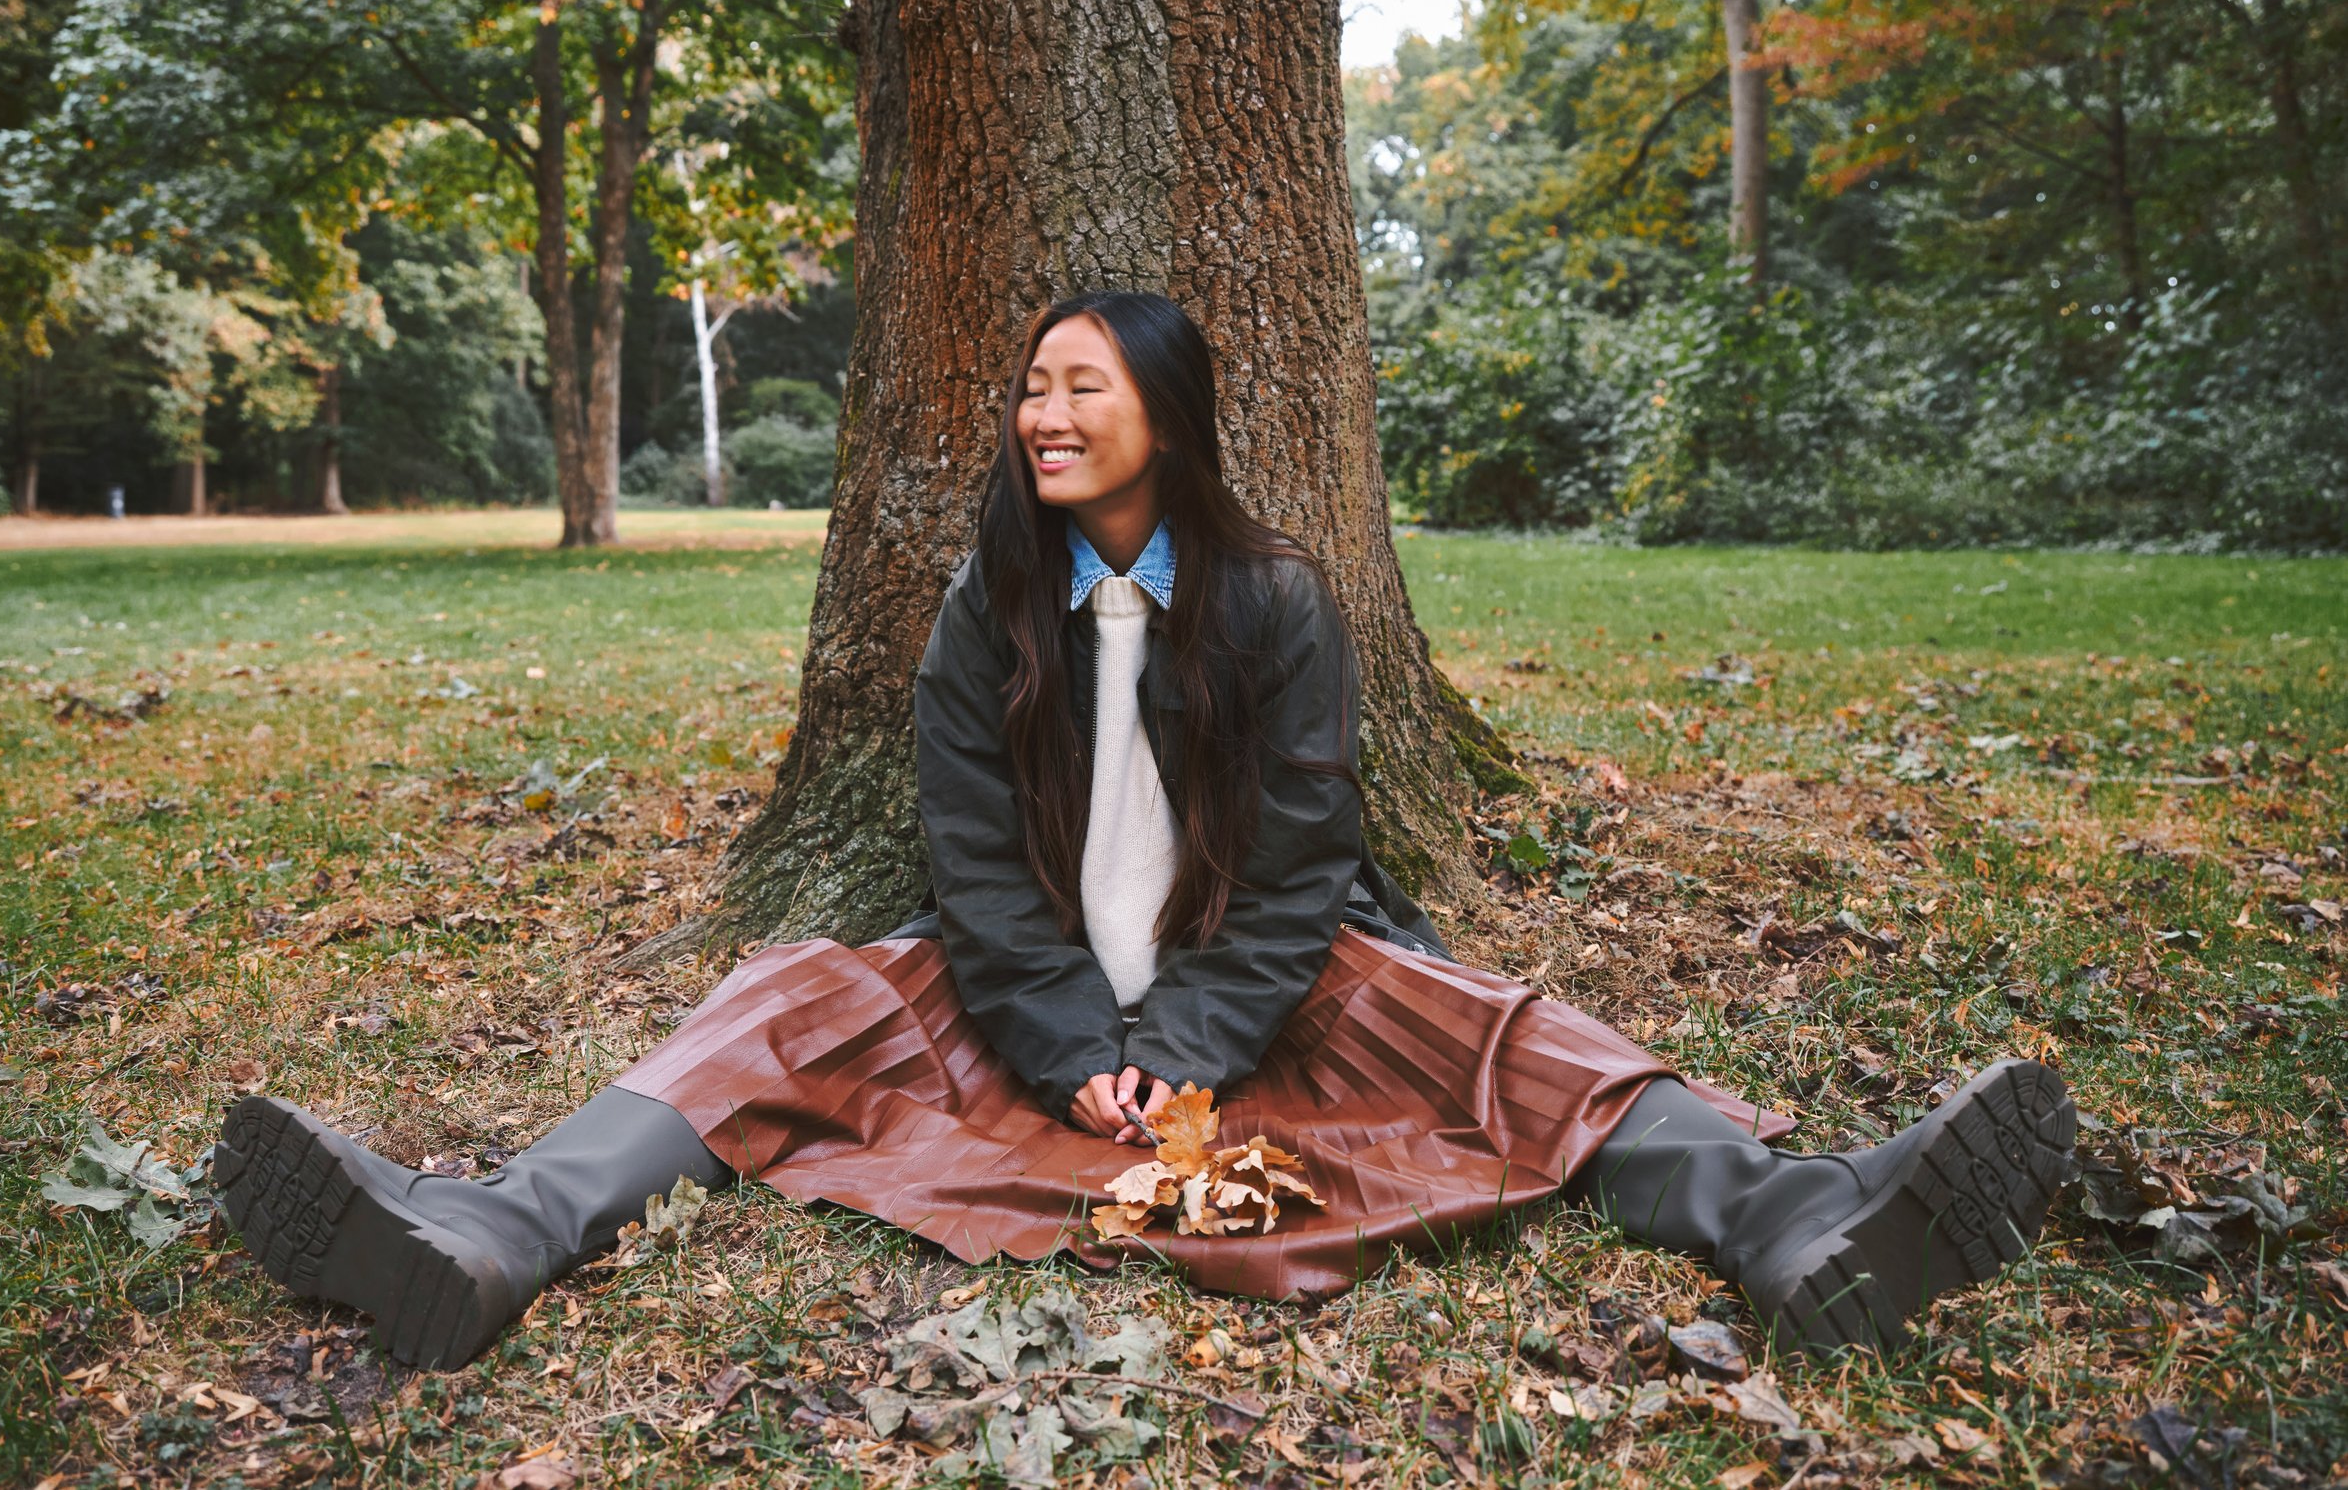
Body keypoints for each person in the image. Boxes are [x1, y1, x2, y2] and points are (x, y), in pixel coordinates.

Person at [215, 290, 2077, 1373]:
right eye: (1029, 386)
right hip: (1018, 999)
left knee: (1493, 1029)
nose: (1039, 411)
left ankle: (1795, 1217)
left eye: (1075, 385)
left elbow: (1294, 880)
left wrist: (1174, 1050)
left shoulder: (1275, 604)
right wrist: (1069, 1054)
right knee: (783, 998)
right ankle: (492, 1236)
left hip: (1254, 998)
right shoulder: (984, 609)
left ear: (1163, 417)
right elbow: (967, 864)